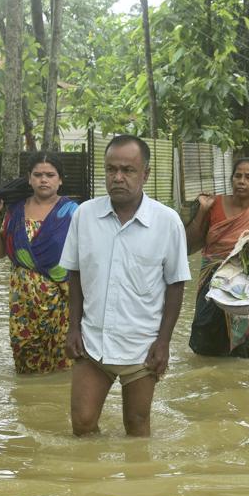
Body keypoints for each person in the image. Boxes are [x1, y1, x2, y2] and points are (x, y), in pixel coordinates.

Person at [60, 135, 191, 437]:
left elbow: (175, 286)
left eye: (128, 170)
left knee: (137, 427)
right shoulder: (84, 215)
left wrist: (163, 343)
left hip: (142, 348)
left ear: (145, 173)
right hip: (93, 343)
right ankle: (92, 484)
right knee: (82, 424)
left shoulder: (167, 222)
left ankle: (140, 485)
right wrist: (73, 328)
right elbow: (75, 275)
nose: (118, 177)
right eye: (111, 169)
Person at [0, 151, 78, 374]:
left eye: (50, 174)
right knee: (24, 361)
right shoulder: (15, 211)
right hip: (23, 305)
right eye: (38, 174)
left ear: (60, 179)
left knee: (63, 363)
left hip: (62, 304)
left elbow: (86, 260)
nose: (43, 179)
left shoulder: (74, 213)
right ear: (29, 179)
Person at [185, 158, 249, 358]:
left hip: (241, 282)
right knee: (203, 327)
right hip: (210, 279)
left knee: (237, 342)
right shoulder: (212, 204)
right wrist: (202, 212)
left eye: (248, 177)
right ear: (231, 179)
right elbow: (189, 246)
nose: (241, 181)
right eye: (237, 176)